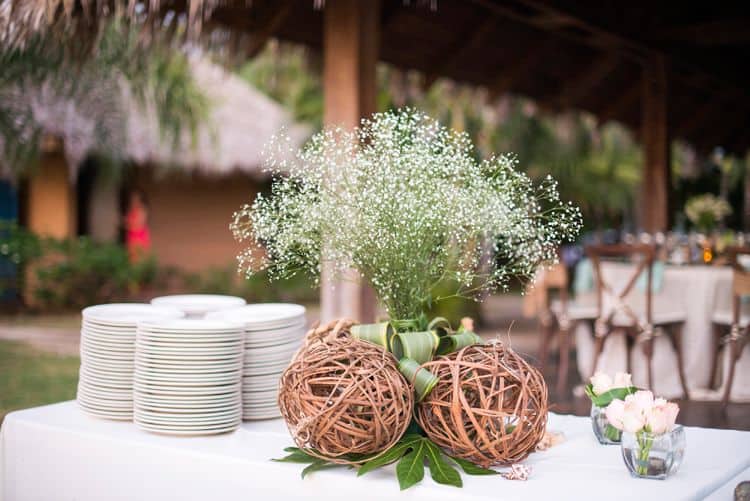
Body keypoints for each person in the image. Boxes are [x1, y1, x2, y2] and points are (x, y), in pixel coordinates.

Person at [124, 190, 151, 262]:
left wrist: (130, 225)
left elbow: (139, 224)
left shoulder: (142, 210)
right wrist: (130, 224)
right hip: (131, 237)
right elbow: (126, 223)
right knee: (131, 259)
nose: (134, 201)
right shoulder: (130, 210)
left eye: (136, 199)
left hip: (139, 236)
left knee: (140, 258)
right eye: (132, 199)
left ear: (140, 200)